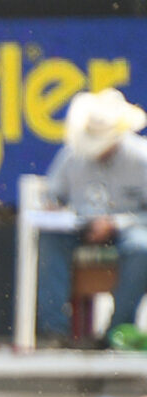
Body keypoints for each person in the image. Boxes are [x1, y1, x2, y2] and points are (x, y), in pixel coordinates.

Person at [38, 89, 147, 341]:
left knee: (142, 249)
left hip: (128, 231)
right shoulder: (72, 155)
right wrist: (52, 206)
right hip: (79, 227)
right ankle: (53, 330)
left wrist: (116, 224)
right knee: (49, 242)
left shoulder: (141, 159)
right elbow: (53, 195)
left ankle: (117, 330)